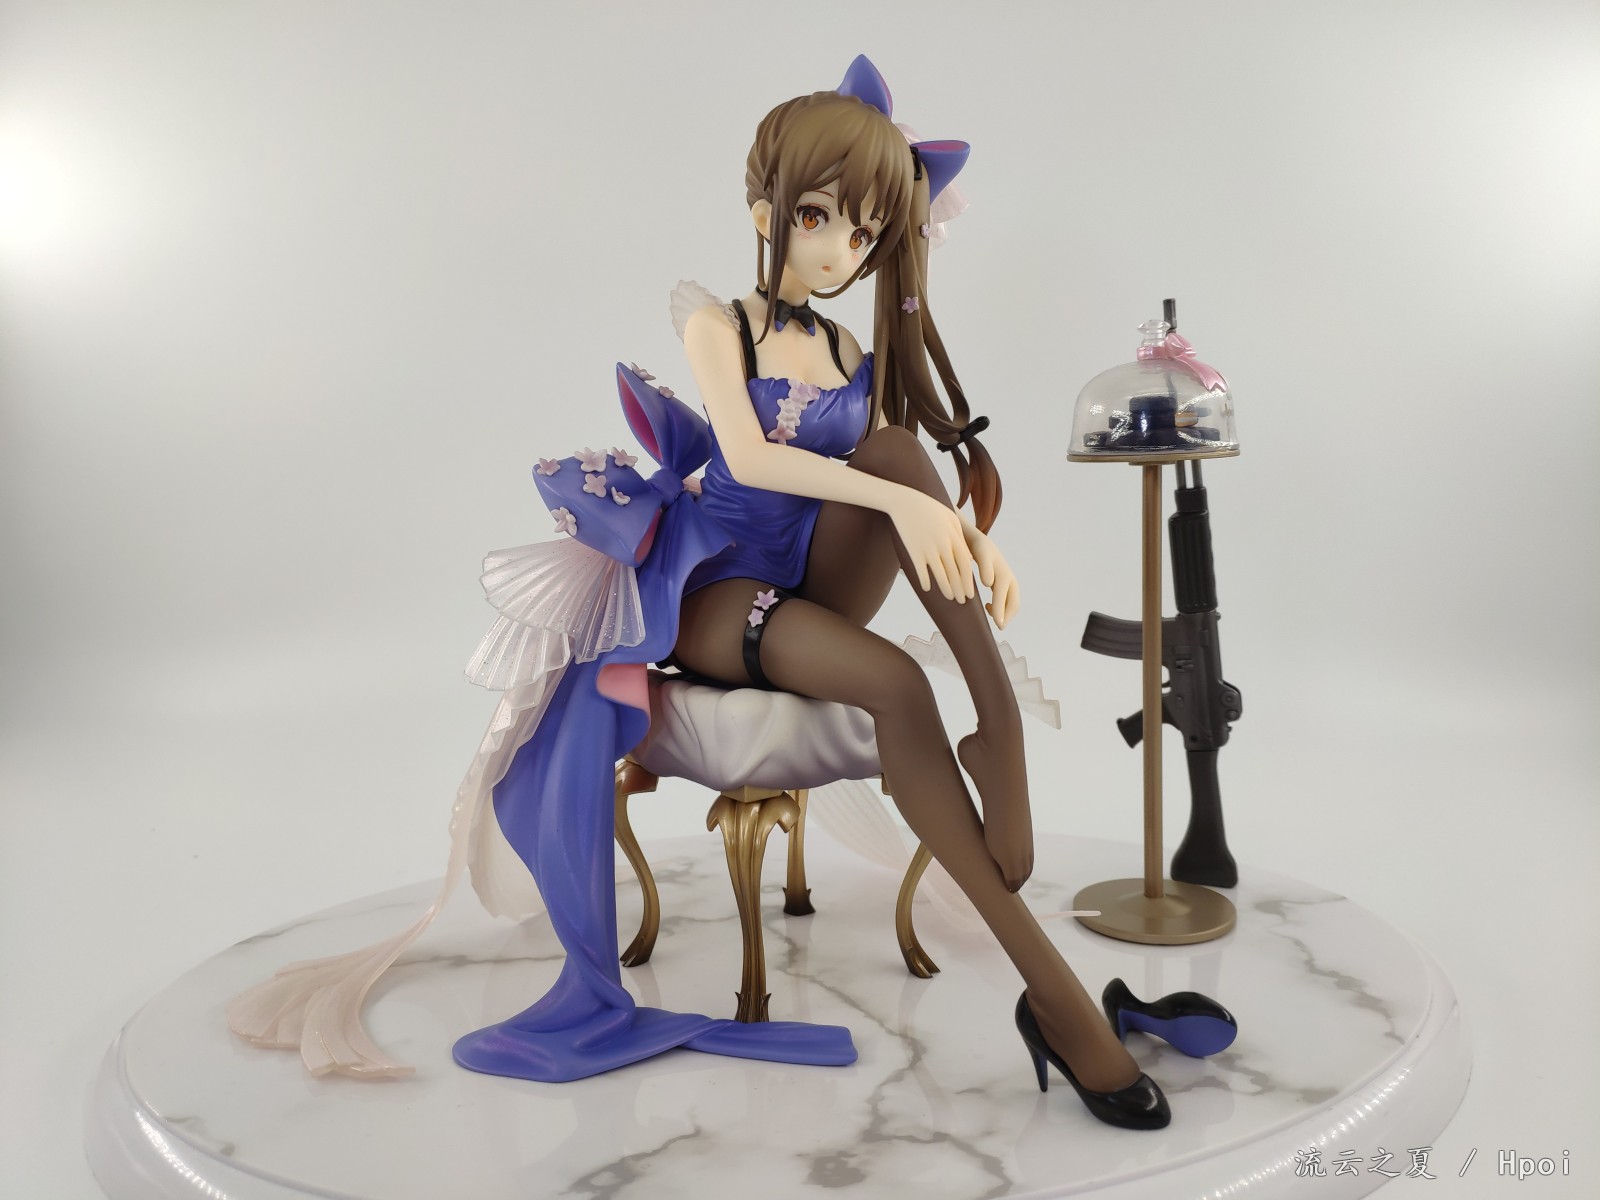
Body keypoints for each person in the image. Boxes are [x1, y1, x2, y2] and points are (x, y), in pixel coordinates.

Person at [230, 55, 1231, 1131]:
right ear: (765, 210)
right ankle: (1063, 1005)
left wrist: (954, 527)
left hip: (811, 586)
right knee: (898, 671)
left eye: (863, 232)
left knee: (898, 447)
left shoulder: (848, 344)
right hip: (716, 597)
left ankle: (1002, 734)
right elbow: (750, 459)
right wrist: (908, 509)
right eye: (817, 217)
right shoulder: (723, 326)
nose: (840, 249)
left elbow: (886, 472)